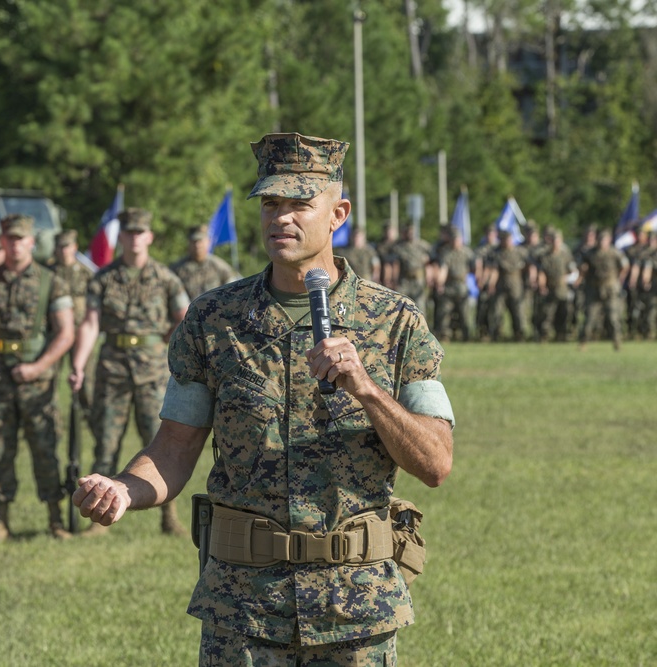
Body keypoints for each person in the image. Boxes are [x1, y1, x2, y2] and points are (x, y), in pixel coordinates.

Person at [73, 132, 454, 664]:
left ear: (338, 213)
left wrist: (368, 391)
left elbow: (435, 461)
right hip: (244, 609)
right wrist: (122, 488)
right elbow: (174, 450)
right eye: (271, 203)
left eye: (300, 203)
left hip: (355, 608)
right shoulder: (213, 320)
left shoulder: (395, 322)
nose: (281, 218)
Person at [69, 208, 190, 536]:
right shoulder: (104, 278)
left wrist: (165, 340)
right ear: (120, 237)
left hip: (151, 371)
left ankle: (169, 518)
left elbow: (185, 314)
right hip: (113, 369)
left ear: (149, 237)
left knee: (160, 442)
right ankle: (100, 517)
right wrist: (79, 363)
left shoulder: (165, 277)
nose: (135, 238)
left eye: (141, 232)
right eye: (129, 233)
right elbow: (91, 323)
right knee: (105, 442)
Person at [0, 214, 75, 541]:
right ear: (2, 242)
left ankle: (54, 518)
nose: (15, 244)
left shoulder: (51, 281)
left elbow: (65, 333)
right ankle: (0, 520)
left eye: (21, 238)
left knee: (45, 449)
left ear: (32, 242)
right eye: (9, 238)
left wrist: (38, 367)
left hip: (38, 382)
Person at [51, 229, 95, 410]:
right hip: (56, 334)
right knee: (51, 375)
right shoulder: (49, 272)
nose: (63, 251)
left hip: (80, 332)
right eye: (60, 246)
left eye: (67, 246)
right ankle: (51, 409)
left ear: (74, 247)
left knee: (85, 375)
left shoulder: (86, 273)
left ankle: (87, 410)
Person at [577, 228, 629, 351]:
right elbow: (581, 266)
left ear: (609, 240)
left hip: (610, 289)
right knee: (589, 317)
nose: (601, 242)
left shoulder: (614, 252)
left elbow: (625, 266)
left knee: (612, 317)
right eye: (600, 239)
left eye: (604, 240)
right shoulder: (589, 253)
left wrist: (619, 278)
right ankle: (583, 342)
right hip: (594, 288)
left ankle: (617, 342)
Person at [170, 223, 240, 301]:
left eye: (200, 241)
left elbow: (234, 293)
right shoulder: (177, 269)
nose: (197, 245)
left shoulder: (220, 267)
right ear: (189, 243)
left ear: (208, 242)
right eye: (194, 241)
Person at [535, 229, 577, 342]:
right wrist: (542, 286)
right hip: (550, 287)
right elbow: (542, 272)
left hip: (562, 288)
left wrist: (567, 279)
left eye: (557, 240)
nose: (555, 242)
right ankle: (545, 335)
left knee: (564, 312)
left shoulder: (566, 255)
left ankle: (561, 334)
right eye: (553, 240)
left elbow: (573, 271)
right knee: (547, 313)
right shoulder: (544, 256)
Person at [434, 228, 475, 341]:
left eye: (457, 239)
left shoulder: (467, 252)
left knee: (464, 313)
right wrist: (440, 284)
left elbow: (474, 268)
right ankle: (445, 335)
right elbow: (443, 269)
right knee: (445, 312)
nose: (455, 242)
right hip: (449, 286)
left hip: (462, 285)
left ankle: (466, 335)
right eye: (453, 239)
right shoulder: (445, 252)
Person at [487, 230, 528, 341]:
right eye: (504, 239)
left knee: (518, 310)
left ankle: (520, 333)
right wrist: (491, 284)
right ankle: (497, 333)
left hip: (516, 284)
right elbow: (494, 270)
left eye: (509, 239)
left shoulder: (520, 252)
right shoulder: (496, 253)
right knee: (497, 310)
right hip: (501, 285)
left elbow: (528, 267)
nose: (507, 242)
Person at [392, 224, 433, 317]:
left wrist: (429, 278)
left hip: (418, 280)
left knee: (420, 306)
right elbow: (395, 265)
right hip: (404, 280)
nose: (410, 234)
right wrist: (394, 280)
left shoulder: (423, 246)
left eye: (412, 232)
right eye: (408, 232)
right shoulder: (399, 247)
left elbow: (429, 263)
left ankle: (422, 330)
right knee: (400, 305)